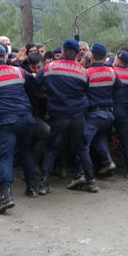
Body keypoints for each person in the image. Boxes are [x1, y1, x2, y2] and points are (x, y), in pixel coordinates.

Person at [0, 43, 40, 213]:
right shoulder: (19, 71)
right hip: (26, 118)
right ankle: (32, 187)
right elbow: (34, 83)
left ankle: (6, 196)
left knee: (5, 157)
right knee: (26, 151)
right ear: (5, 56)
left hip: (6, 121)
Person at [36, 38, 96, 194]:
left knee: (52, 148)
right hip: (77, 115)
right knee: (81, 147)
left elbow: (36, 83)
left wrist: (48, 92)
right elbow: (86, 90)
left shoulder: (49, 67)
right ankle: (91, 181)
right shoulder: (83, 71)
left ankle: (44, 183)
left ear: (62, 51)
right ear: (77, 54)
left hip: (58, 114)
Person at [83, 42, 117, 177]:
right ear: (104, 57)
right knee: (99, 138)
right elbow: (119, 88)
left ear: (91, 56)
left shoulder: (86, 73)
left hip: (94, 114)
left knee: (83, 143)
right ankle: (108, 162)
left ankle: (84, 173)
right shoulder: (112, 72)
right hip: (108, 114)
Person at [112, 50, 128, 179]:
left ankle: (103, 166)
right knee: (127, 142)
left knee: (103, 138)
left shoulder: (112, 71)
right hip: (125, 111)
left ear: (117, 60)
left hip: (111, 108)